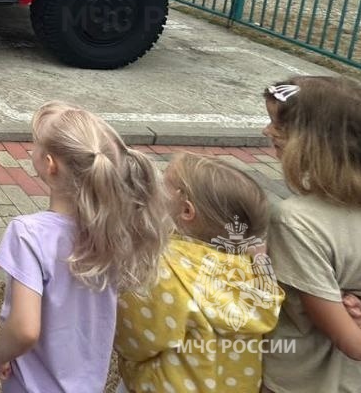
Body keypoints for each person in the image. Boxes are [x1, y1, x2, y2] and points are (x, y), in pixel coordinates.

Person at [0, 101, 172, 392]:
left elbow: (25, 329)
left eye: (34, 144)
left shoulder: (27, 234)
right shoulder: (113, 231)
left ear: (49, 165)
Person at [114, 152, 282, 393]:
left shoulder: (164, 270)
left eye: (164, 183)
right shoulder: (252, 268)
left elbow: (136, 343)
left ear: (186, 211)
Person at [260, 76, 361, 392]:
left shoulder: (296, 221)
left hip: (304, 380)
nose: (267, 131)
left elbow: (353, 342)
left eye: (278, 125)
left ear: (314, 142)